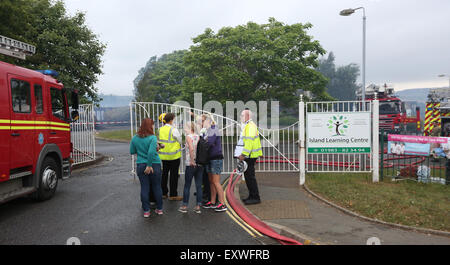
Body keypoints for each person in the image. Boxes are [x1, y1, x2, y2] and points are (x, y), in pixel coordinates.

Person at [129, 118, 163, 217]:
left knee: (144, 187)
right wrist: (149, 165)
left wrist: (141, 150)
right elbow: (151, 152)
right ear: (150, 126)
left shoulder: (135, 138)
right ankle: (159, 209)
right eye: (153, 125)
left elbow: (132, 151)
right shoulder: (153, 138)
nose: (154, 126)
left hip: (140, 164)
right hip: (154, 164)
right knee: (157, 187)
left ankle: (146, 211)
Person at [201, 114, 227, 212]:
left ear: (207, 121)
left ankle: (222, 203)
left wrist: (202, 140)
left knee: (216, 182)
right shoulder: (206, 131)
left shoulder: (213, 129)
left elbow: (208, 143)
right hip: (209, 158)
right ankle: (212, 201)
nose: (200, 123)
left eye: (202, 121)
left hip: (216, 158)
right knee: (211, 181)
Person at [236, 110, 263, 205]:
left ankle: (255, 197)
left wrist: (243, 154)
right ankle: (252, 196)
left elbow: (249, 142)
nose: (240, 117)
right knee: (248, 177)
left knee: (250, 177)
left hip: (250, 156)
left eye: (242, 115)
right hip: (250, 155)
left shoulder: (250, 126)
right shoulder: (248, 126)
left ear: (247, 116)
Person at [179, 122, 203, 214]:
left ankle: (184, 206)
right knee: (198, 185)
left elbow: (191, 149)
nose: (184, 129)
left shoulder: (188, 137)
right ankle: (198, 206)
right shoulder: (198, 136)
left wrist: (192, 160)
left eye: (185, 127)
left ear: (189, 128)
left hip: (191, 164)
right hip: (200, 164)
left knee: (187, 185)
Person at [158, 113, 183, 201]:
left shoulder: (160, 129)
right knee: (173, 175)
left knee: (164, 174)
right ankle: (173, 195)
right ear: (171, 119)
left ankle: (163, 193)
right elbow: (179, 140)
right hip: (174, 156)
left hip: (164, 156)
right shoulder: (174, 129)